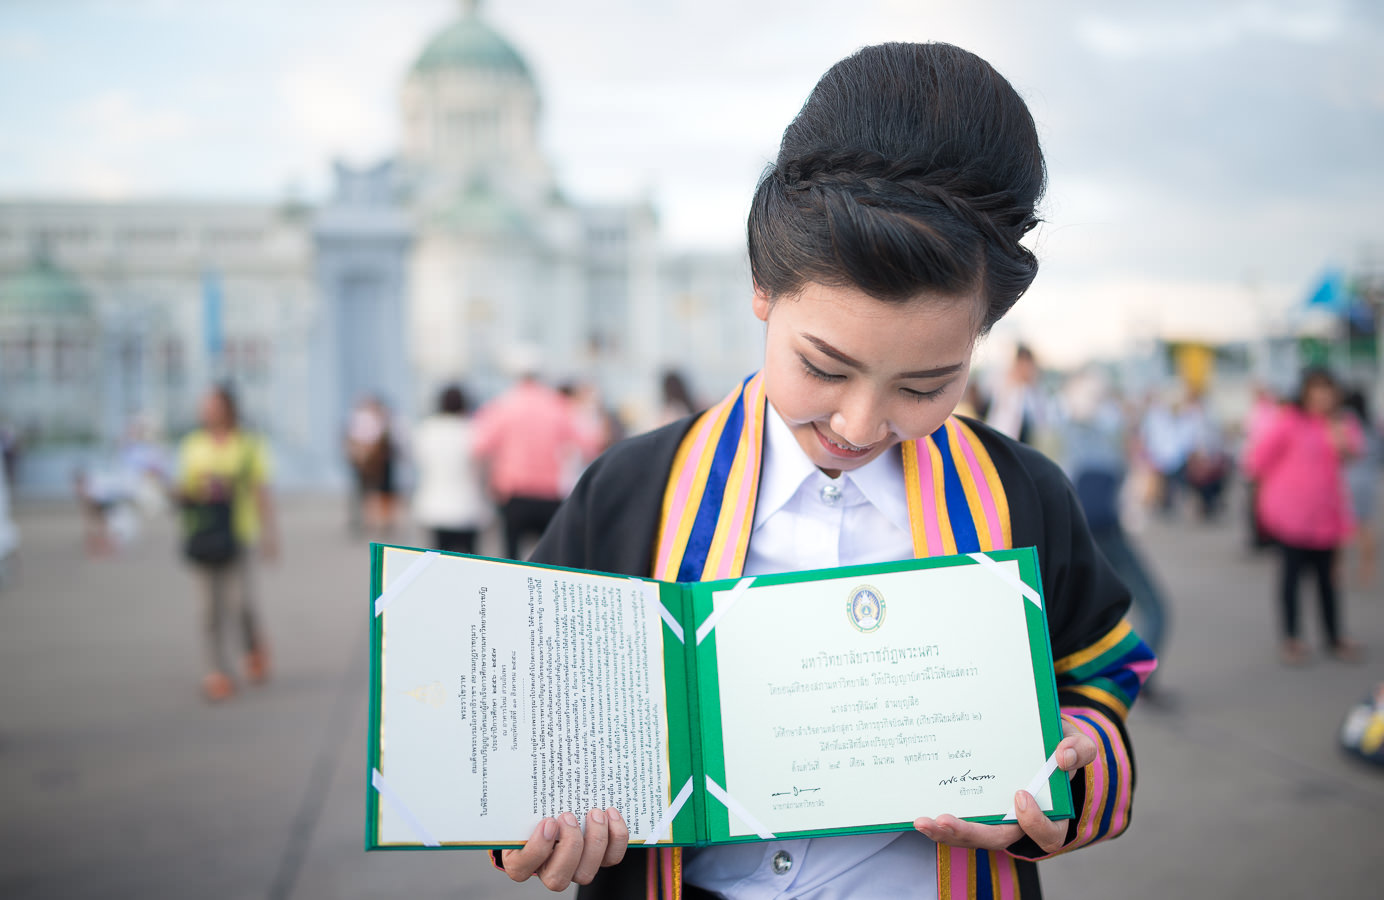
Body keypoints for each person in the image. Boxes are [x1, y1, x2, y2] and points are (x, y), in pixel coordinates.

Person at [493, 43, 1154, 899]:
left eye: (926, 385)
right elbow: (531, 728)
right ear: (763, 288)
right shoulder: (633, 492)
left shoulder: (1023, 496)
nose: (859, 423)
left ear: (979, 339)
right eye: (825, 366)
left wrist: (1075, 758)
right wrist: (528, 825)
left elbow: (1104, 673)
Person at [1246, 368, 1364, 665]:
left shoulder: (1340, 422)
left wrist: (1338, 435)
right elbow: (1257, 459)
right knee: (1291, 578)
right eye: (1317, 389)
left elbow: (1353, 452)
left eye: (1328, 389)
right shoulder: (1289, 421)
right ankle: (1291, 637)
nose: (1324, 396)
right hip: (1290, 516)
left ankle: (1333, 635)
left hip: (1326, 516)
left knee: (1328, 579)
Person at [177, 384, 278, 702]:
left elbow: (261, 489)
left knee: (240, 604)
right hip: (203, 534)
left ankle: (252, 648)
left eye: (214, 406)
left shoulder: (248, 444)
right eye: (204, 407)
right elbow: (185, 488)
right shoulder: (193, 444)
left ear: (229, 409)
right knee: (207, 609)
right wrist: (195, 492)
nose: (208, 412)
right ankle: (216, 671)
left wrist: (269, 534)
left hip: (238, 533)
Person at [473, 365, 605, 560]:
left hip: (514, 493)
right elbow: (588, 444)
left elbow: (481, 446)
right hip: (549, 493)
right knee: (550, 558)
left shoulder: (503, 405)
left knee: (511, 557)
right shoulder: (556, 405)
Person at [411, 385, 489, 555]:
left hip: (435, 506)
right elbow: (484, 465)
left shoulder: (427, 429)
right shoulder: (474, 429)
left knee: (438, 564)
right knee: (470, 563)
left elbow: (418, 458)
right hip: (468, 506)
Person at [1341, 387, 1379, 587]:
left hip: (1347, 478)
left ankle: (1338, 570)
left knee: (1342, 527)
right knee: (1366, 525)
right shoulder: (1373, 423)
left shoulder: (1346, 421)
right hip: (1368, 479)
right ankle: (1367, 570)